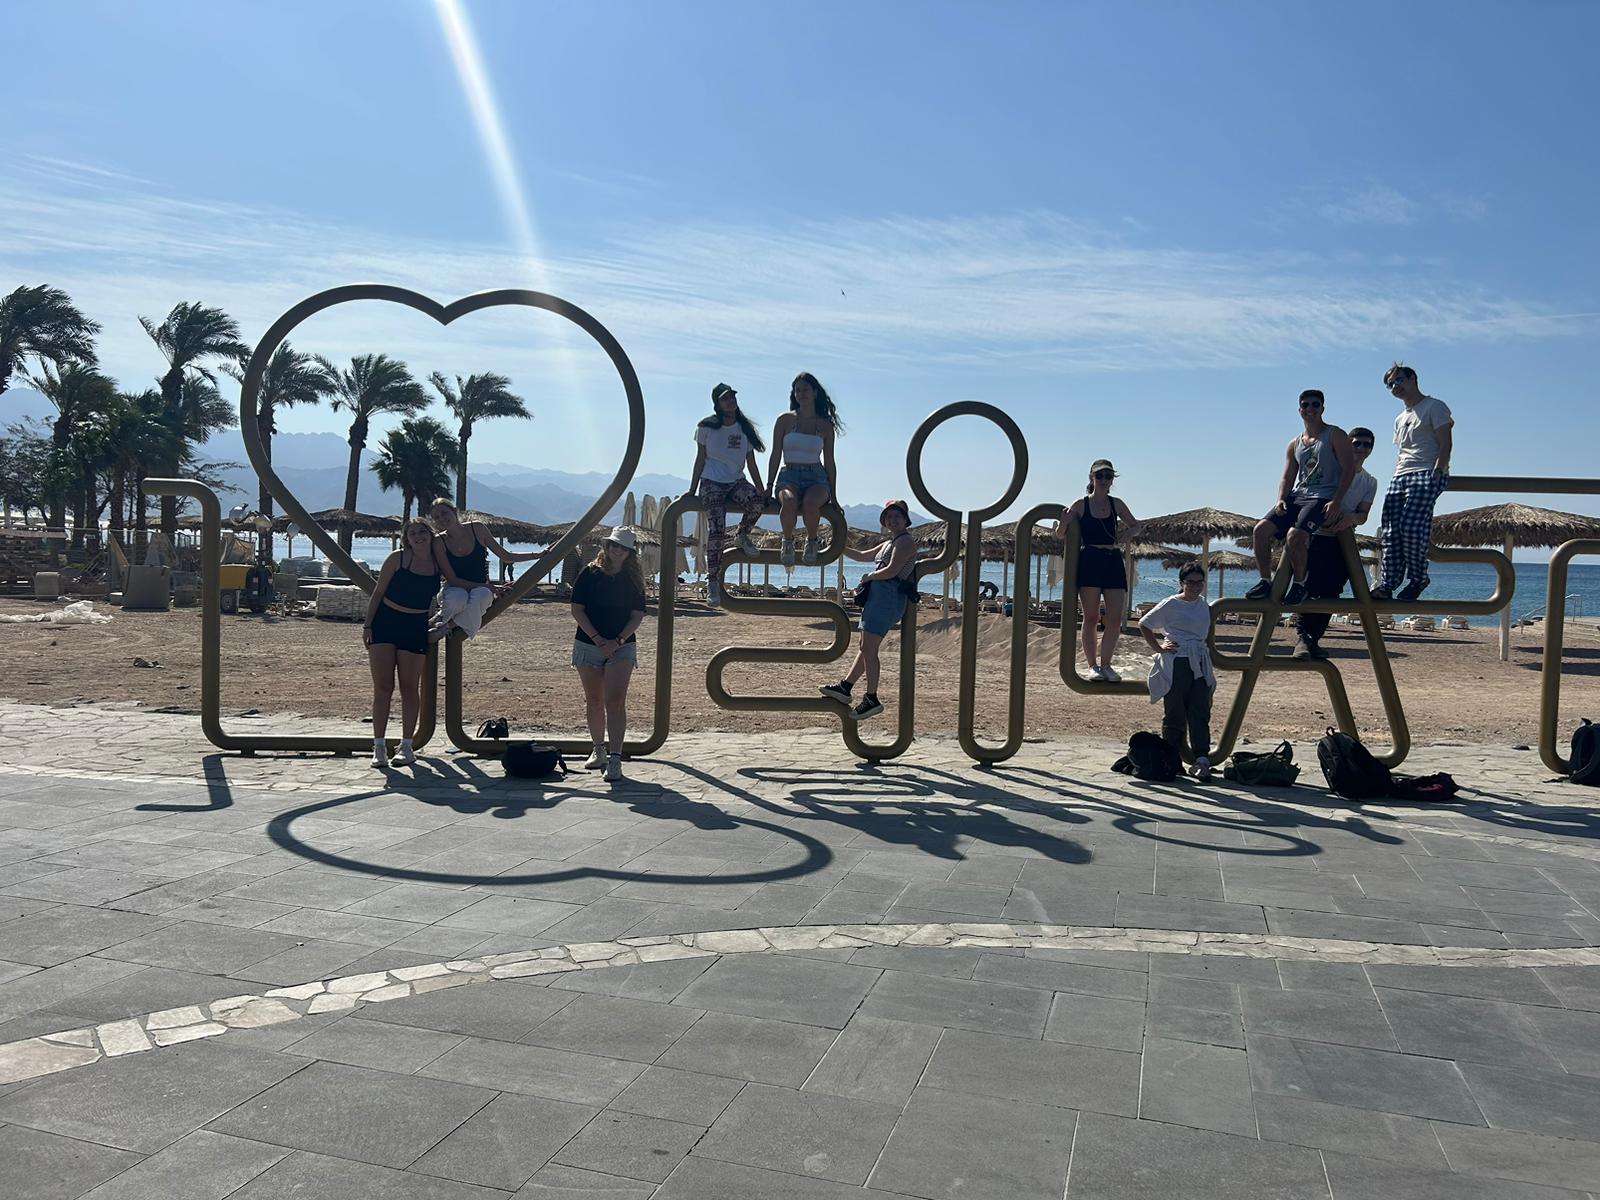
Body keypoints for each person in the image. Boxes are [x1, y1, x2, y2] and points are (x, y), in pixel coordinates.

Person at [1246, 390, 1356, 605]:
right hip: (1299, 495)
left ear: (1322, 408)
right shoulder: (1295, 443)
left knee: (1295, 536)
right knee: (1260, 530)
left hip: (1323, 497)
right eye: (1306, 405)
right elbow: (1287, 476)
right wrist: (1280, 499)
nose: (1310, 409)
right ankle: (1265, 581)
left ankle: (1299, 584)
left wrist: (1337, 500)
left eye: (1315, 405)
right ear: (1299, 410)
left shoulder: (1335, 435)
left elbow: (1349, 469)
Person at [819, 499, 917, 721]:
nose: (893, 520)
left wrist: (869, 577)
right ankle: (845, 687)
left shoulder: (905, 543)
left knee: (869, 649)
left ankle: (872, 698)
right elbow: (863, 556)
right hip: (878, 597)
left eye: (897, 516)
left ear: (905, 520)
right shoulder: (887, 544)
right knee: (865, 647)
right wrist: (839, 547)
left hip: (888, 597)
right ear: (884, 521)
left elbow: (892, 570)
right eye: (889, 517)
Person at [362, 519, 442, 768]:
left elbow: (458, 583)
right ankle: (379, 746)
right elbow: (378, 592)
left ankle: (407, 745)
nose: (418, 536)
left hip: (415, 625)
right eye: (413, 533)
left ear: (431, 535)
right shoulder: (398, 558)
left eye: (422, 532)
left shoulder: (439, 563)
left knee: (409, 687)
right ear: (406, 538)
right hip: (386, 622)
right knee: (383, 687)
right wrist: (368, 625)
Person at [1295, 426, 1379, 660]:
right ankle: (1302, 638)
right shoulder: (1332, 470)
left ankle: (1313, 639)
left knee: (1333, 591)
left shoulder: (1370, 482)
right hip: (1317, 536)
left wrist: (1350, 518)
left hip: (1343, 542)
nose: (1362, 448)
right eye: (1357, 443)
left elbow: (1363, 515)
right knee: (1311, 586)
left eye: (1367, 444)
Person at [571, 527, 647, 781]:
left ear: (630, 552)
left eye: (623, 547)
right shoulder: (590, 573)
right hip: (588, 644)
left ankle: (615, 758)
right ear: (607, 545)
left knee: (614, 702)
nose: (618, 550)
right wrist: (597, 639)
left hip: (622, 646)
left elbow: (637, 615)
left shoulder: (634, 579)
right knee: (594, 700)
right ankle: (598, 749)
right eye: (615, 545)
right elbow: (577, 609)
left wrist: (618, 640)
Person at [1373, 362, 1453, 601]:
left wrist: (1438, 470)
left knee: (1411, 527)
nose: (1395, 387)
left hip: (1426, 471)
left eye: (1398, 380)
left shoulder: (1434, 406)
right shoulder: (1400, 418)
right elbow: (1404, 450)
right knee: (1390, 531)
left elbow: (1446, 442)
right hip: (1400, 474)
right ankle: (1388, 583)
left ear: (1413, 379)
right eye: (1390, 385)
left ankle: (1418, 578)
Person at [1059, 458, 1141, 682]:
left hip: (1113, 559)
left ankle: (1106, 665)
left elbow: (1137, 524)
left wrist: (1129, 533)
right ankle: (1092, 665)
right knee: (1092, 617)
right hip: (1090, 559)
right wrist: (1064, 523)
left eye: (1108, 476)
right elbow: (1059, 535)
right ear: (1091, 478)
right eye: (1100, 476)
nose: (1105, 480)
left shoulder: (1117, 504)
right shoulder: (1081, 504)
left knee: (1114, 619)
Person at [689, 382, 767, 607]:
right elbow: (700, 458)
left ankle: (742, 535)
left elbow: (751, 463)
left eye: (732, 396)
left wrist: (761, 489)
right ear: (717, 404)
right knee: (717, 529)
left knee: (757, 503)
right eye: (725, 398)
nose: (730, 401)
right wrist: (692, 490)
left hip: (736, 481)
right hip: (712, 481)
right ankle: (712, 581)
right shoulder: (705, 427)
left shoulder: (744, 429)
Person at [1139, 561, 1217, 780]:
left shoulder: (1204, 605)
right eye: (1190, 582)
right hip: (1178, 661)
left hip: (1199, 661)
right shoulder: (1171, 604)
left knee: (1200, 710)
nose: (1195, 586)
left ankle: (1201, 758)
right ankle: (1171, 758)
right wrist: (1158, 648)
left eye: (1199, 582)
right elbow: (1144, 624)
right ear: (1182, 583)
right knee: (1174, 712)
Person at [428, 499, 538, 640]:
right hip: (455, 588)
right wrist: (489, 586)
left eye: (444, 513)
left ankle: (445, 625)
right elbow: (453, 580)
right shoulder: (439, 542)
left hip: (479, 588)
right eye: (436, 517)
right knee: (458, 597)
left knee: (483, 595)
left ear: (454, 511)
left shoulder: (477, 529)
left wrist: (537, 555)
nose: (442, 518)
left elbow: (506, 556)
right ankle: (444, 618)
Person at [765, 372, 840, 569]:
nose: (801, 394)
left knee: (810, 504)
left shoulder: (825, 426)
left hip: (816, 476)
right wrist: (769, 485)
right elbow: (775, 454)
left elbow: (830, 461)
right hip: (789, 474)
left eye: (805, 389)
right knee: (789, 502)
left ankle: (812, 540)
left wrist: (835, 494)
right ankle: (787, 541)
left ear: (815, 392)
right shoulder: (784, 421)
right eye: (797, 390)